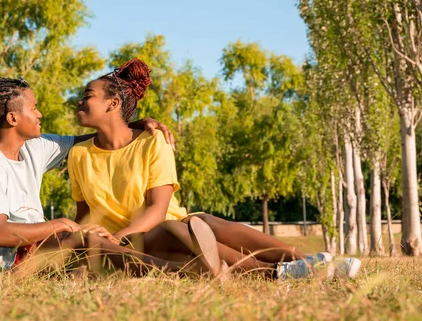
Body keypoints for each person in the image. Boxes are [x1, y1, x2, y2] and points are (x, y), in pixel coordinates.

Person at [68, 58, 362, 280]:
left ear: (113, 103)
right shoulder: (79, 154)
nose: (79, 101)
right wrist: (100, 239)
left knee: (196, 221)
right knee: (184, 226)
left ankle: (308, 261)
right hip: (131, 242)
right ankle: (274, 272)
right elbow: (84, 216)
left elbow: (158, 209)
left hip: (163, 227)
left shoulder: (152, 141)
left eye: (87, 95)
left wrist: (120, 235)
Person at [0, 77, 219, 275]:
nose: (40, 114)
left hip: (38, 247)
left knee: (94, 241)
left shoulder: (34, 147)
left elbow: (101, 137)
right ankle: (179, 273)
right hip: (4, 264)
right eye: (34, 108)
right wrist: (60, 224)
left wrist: (139, 124)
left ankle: (196, 266)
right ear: (13, 117)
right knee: (83, 239)